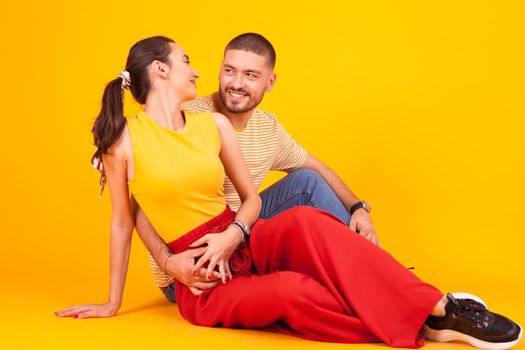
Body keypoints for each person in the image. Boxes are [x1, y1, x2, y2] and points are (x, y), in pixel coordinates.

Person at [55, 36, 522, 350]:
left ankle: (437, 306)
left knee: (307, 217)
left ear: (267, 81)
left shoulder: (211, 123)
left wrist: (237, 234)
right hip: (197, 275)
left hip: (237, 234)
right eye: (190, 63)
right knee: (293, 290)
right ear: (160, 70)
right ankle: (418, 319)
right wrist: (115, 298)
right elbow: (124, 216)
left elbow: (253, 198)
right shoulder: (123, 140)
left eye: (249, 74)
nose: (200, 72)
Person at [134, 33, 378, 300]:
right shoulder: (187, 117)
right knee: (313, 281)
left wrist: (358, 207)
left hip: (240, 242)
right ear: (220, 70)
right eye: (230, 71)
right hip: (190, 268)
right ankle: (372, 282)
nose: (237, 83)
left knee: (307, 181)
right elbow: (140, 201)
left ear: (269, 82)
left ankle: (376, 275)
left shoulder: (267, 128)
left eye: (250, 75)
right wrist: (168, 262)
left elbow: (319, 169)